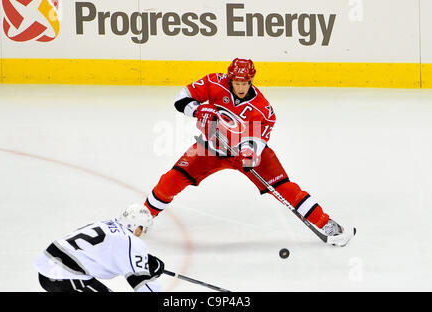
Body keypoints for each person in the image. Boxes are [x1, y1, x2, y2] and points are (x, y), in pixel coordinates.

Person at [144, 58, 354, 246]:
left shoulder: (262, 109)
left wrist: (247, 152)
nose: (241, 87)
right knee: (171, 180)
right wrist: (198, 109)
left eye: (244, 83)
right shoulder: (215, 82)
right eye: (237, 83)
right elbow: (181, 99)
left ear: (251, 81)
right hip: (211, 147)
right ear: (230, 80)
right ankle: (144, 216)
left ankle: (326, 224)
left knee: (285, 189)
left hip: (247, 156)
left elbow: (256, 139)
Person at [34, 204, 165, 292]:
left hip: (50, 268)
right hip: (64, 276)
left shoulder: (105, 224)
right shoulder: (131, 241)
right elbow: (143, 283)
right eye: (143, 231)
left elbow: (107, 251)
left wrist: (145, 261)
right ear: (138, 228)